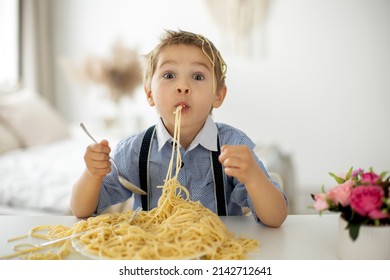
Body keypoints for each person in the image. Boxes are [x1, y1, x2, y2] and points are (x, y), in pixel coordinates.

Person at [71, 29, 288, 227]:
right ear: (149, 94)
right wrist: (92, 174)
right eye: (169, 75)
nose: (183, 86)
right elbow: (81, 210)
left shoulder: (233, 144)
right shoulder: (135, 150)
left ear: (218, 95)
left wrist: (253, 176)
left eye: (198, 76)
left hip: (218, 253)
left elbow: (275, 218)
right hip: (153, 256)